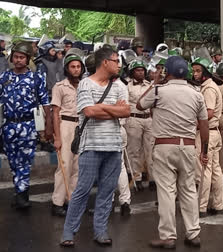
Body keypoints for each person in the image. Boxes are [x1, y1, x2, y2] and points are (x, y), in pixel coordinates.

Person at [60, 46, 130, 247]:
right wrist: (113, 108)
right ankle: (68, 232)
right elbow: (89, 112)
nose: (119, 65)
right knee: (82, 190)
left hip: (114, 147)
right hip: (91, 146)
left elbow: (126, 112)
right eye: (116, 60)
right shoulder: (85, 84)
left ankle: (101, 231)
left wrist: (104, 108)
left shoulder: (118, 86)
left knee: (107, 192)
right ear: (105, 62)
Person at [137, 56, 208, 249]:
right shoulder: (197, 93)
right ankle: (193, 233)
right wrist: (205, 150)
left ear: (166, 72)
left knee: (167, 192)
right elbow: (203, 124)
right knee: (188, 190)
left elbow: (140, 105)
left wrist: (154, 83)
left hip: (164, 146)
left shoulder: (159, 91)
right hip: (188, 146)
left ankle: (168, 236)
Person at [0, 42, 53, 209]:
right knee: (13, 161)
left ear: (27, 59)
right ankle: (19, 191)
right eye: (15, 57)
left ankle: (23, 195)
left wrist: (48, 126)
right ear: (11, 58)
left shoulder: (36, 78)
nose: (18, 60)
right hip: (8, 126)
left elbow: (45, 103)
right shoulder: (3, 78)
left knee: (25, 161)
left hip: (28, 125)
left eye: (22, 57)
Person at [50, 51, 85, 217]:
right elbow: (55, 113)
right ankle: (57, 202)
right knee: (64, 164)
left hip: (82, 126)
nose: (76, 70)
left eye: (78, 66)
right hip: (65, 125)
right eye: (72, 67)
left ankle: (71, 200)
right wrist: (57, 137)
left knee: (78, 167)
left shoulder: (86, 85)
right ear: (67, 69)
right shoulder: (59, 87)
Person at [191, 57, 223, 217]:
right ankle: (217, 204)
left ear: (205, 72)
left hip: (207, 133)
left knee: (203, 169)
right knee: (215, 169)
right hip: (213, 132)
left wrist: (194, 125)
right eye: (194, 70)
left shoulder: (209, 88)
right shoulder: (207, 86)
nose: (195, 74)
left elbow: (208, 113)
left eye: (198, 71)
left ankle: (201, 207)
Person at [125, 59, 154, 191]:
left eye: (142, 70)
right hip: (134, 119)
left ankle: (153, 178)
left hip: (148, 119)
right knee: (134, 150)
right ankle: (136, 177)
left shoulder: (150, 85)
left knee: (151, 150)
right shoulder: (127, 86)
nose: (140, 72)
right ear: (132, 72)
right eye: (137, 70)